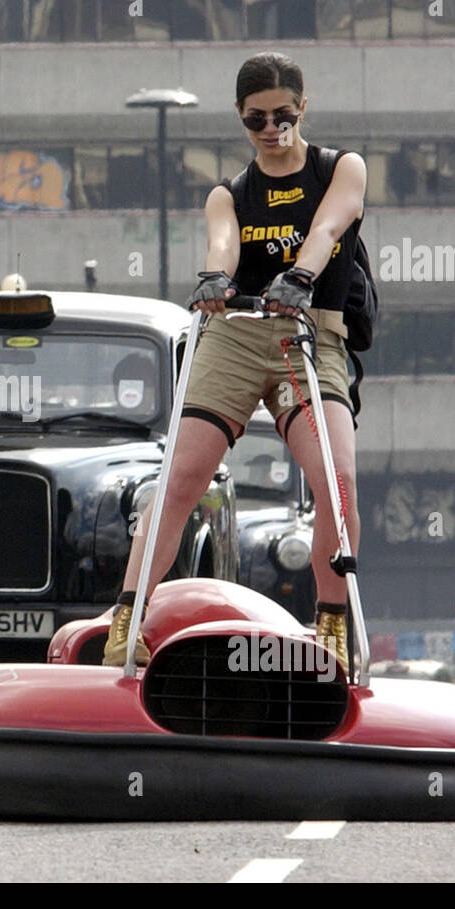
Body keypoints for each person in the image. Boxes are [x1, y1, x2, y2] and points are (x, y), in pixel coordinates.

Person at [101, 51, 367, 669]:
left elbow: (330, 226)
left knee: (339, 482)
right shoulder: (230, 193)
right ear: (241, 120)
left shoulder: (339, 168)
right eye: (257, 119)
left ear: (303, 108)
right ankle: (127, 619)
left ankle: (330, 624)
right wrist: (213, 280)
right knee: (179, 480)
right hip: (239, 334)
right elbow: (223, 244)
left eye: (283, 115)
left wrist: (300, 275)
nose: (272, 129)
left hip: (308, 334)